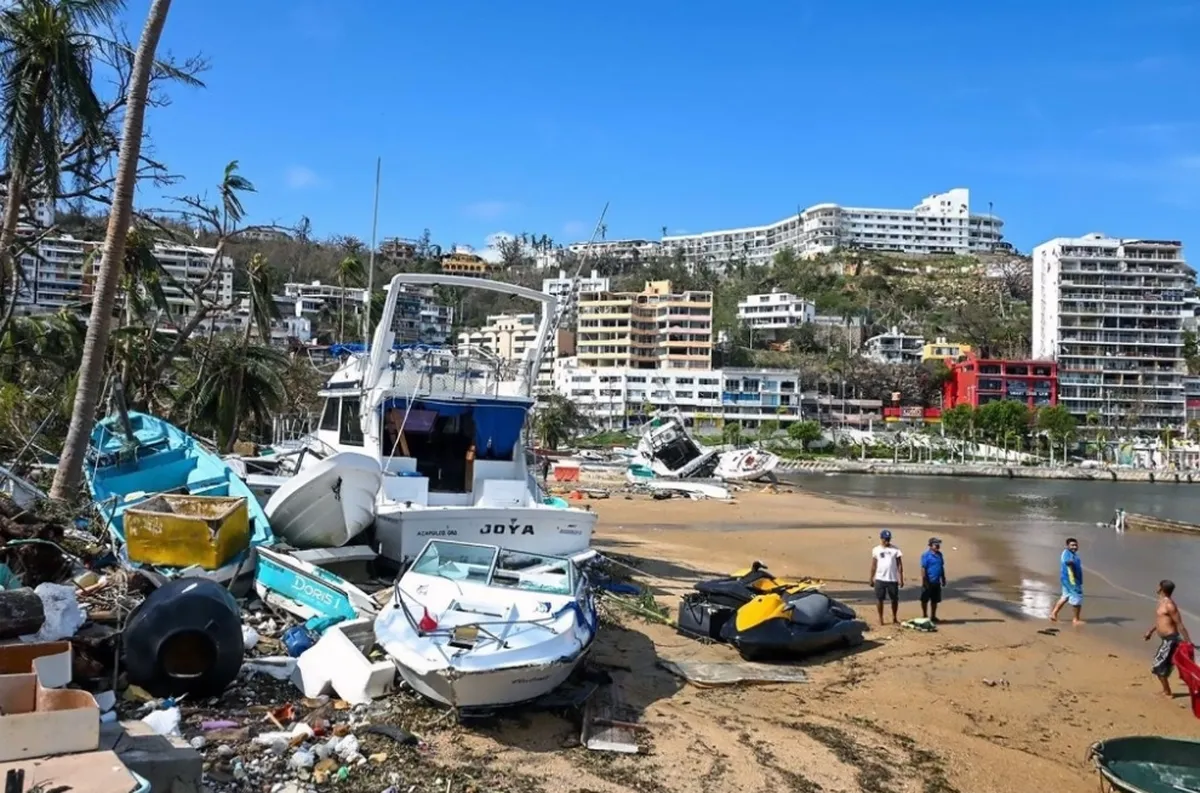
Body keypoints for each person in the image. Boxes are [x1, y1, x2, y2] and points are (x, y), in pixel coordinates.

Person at [1144, 579, 1191, 697]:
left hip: (1171, 640)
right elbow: (1161, 620)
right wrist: (1151, 631)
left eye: (1158, 585)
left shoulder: (1169, 605)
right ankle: (1166, 690)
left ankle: (1167, 692)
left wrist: (1188, 642)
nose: (1157, 587)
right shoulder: (1161, 602)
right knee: (1160, 664)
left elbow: (1179, 624)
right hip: (1166, 640)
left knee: (1158, 665)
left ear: (1161, 588)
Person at [869, 529, 904, 625]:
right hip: (880, 578)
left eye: (888, 539)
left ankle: (894, 617)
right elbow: (873, 565)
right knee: (879, 599)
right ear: (881, 539)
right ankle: (880, 618)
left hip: (892, 579)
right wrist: (871, 578)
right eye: (885, 539)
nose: (887, 541)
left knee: (894, 599)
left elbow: (899, 565)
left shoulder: (896, 550)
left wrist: (901, 578)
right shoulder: (876, 550)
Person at [1049, 537, 1083, 625]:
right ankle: (1076, 619)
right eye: (1072, 545)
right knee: (1077, 598)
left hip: (1066, 579)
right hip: (1071, 580)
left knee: (1065, 597)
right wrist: (1070, 562)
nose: (1074, 547)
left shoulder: (1072, 554)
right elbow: (1067, 562)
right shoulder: (1067, 554)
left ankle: (1053, 614)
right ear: (1067, 546)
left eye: (1075, 545)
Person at [920, 537, 946, 623]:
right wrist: (924, 580)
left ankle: (933, 616)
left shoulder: (940, 555)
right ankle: (924, 615)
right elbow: (923, 568)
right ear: (930, 546)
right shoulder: (926, 555)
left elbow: (941, 567)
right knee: (925, 599)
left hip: (937, 581)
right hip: (928, 580)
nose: (938, 546)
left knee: (935, 600)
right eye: (936, 544)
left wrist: (943, 578)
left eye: (938, 544)